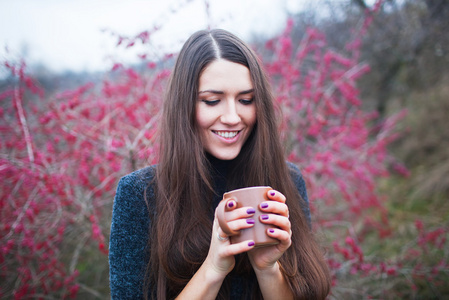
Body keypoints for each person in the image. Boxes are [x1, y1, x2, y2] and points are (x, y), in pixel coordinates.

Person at [109, 29, 331, 299]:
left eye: (246, 100)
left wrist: (267, 268)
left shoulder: (286, 181)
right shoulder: (140, 194)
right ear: (185, 106)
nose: (232, 117)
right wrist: (213, 267)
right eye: (212, 101)